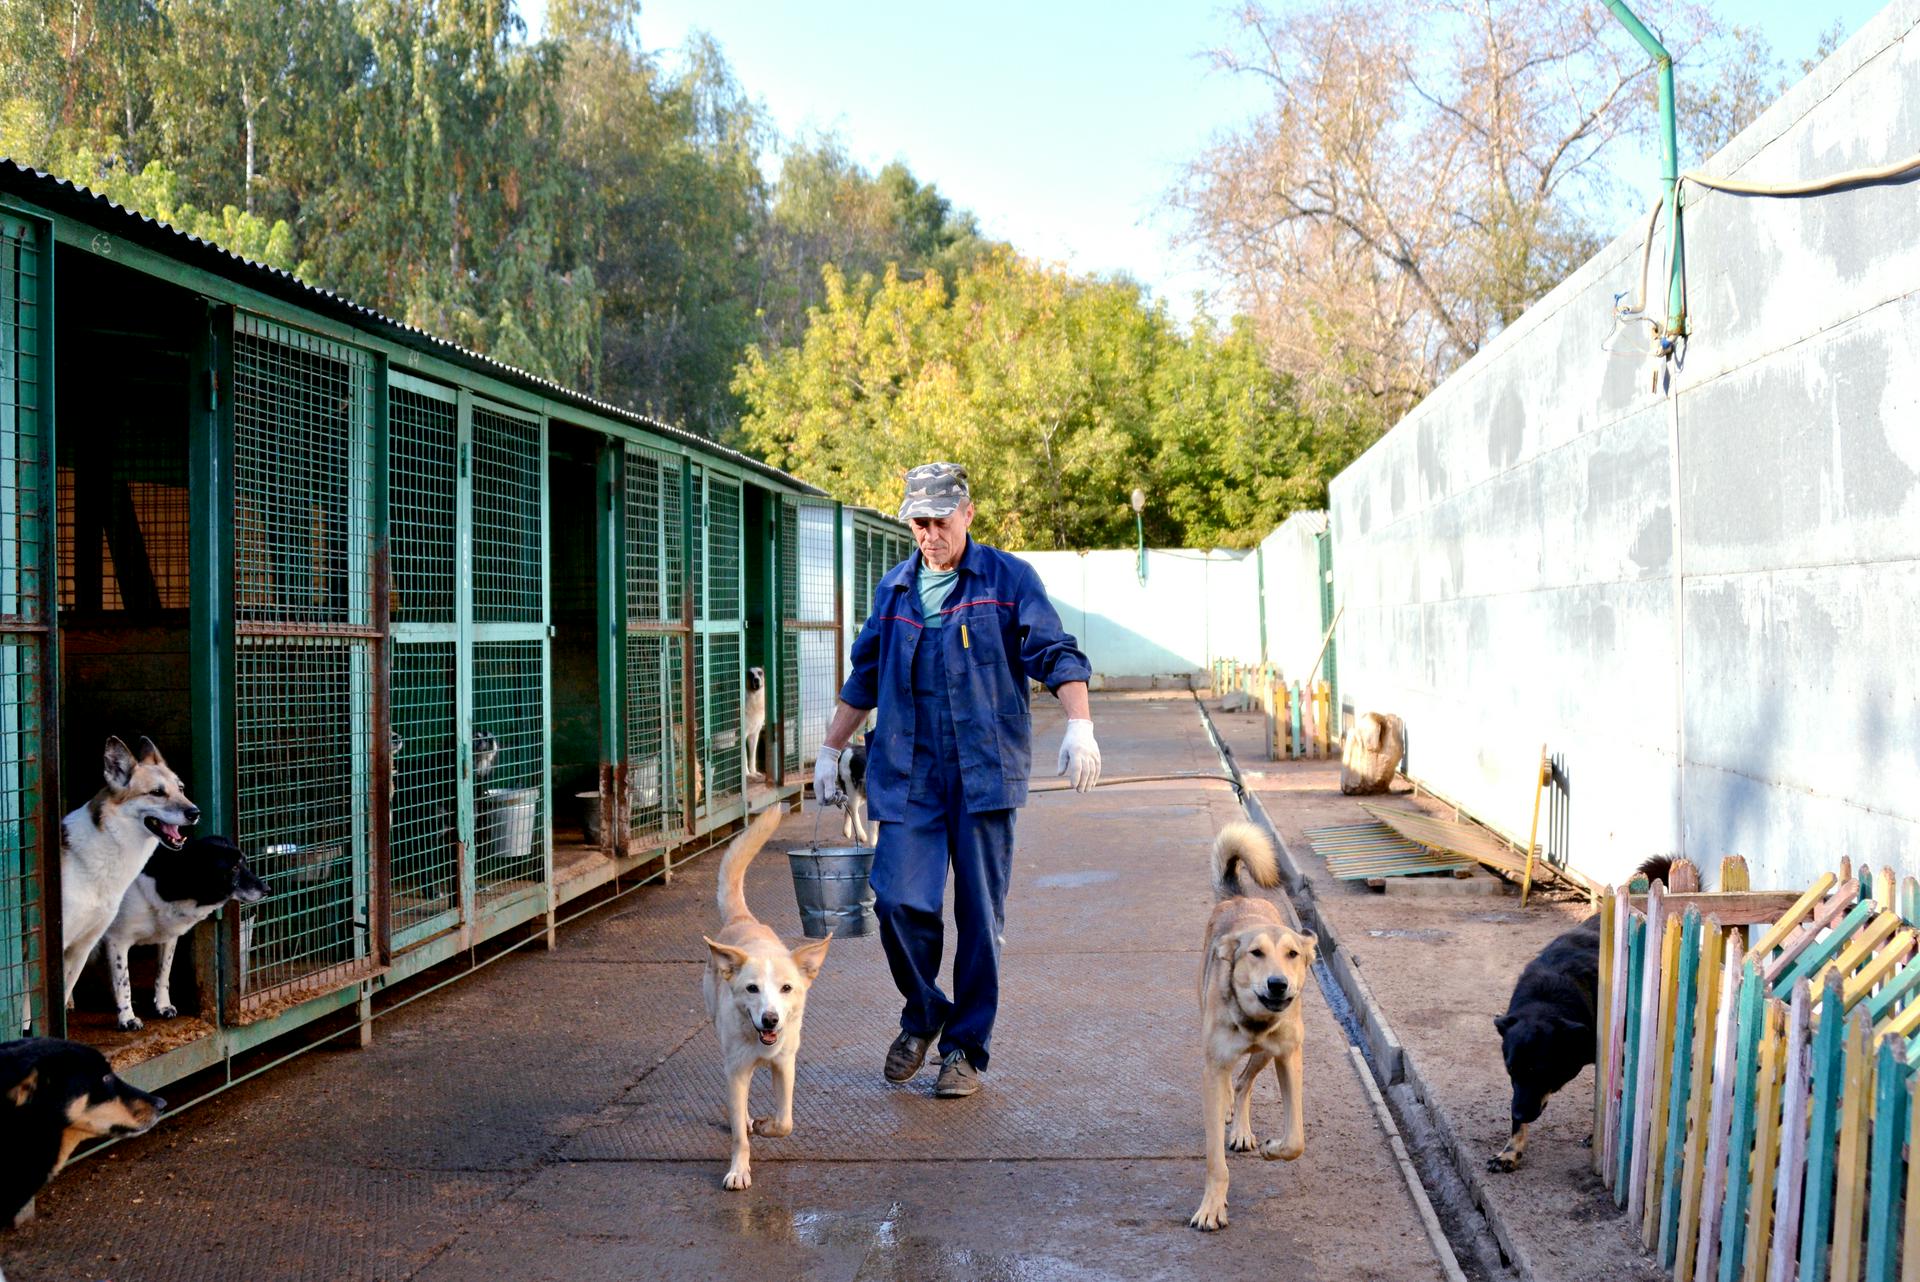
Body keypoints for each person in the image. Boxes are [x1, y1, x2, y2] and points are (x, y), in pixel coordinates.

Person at [816, 462, 1101, 1099]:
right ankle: (924, 1011)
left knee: (979, 918)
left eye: (940, 521)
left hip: (983, 773)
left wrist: (1079, 724)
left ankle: (965, 1049)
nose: (929, 534)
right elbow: (864, 678)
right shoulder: (893, 593)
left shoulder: (1007, 581)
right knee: (894, 899)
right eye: (918, 523)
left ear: (967, 514)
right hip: (909, 773)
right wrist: (830, 750)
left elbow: (1055, 651)